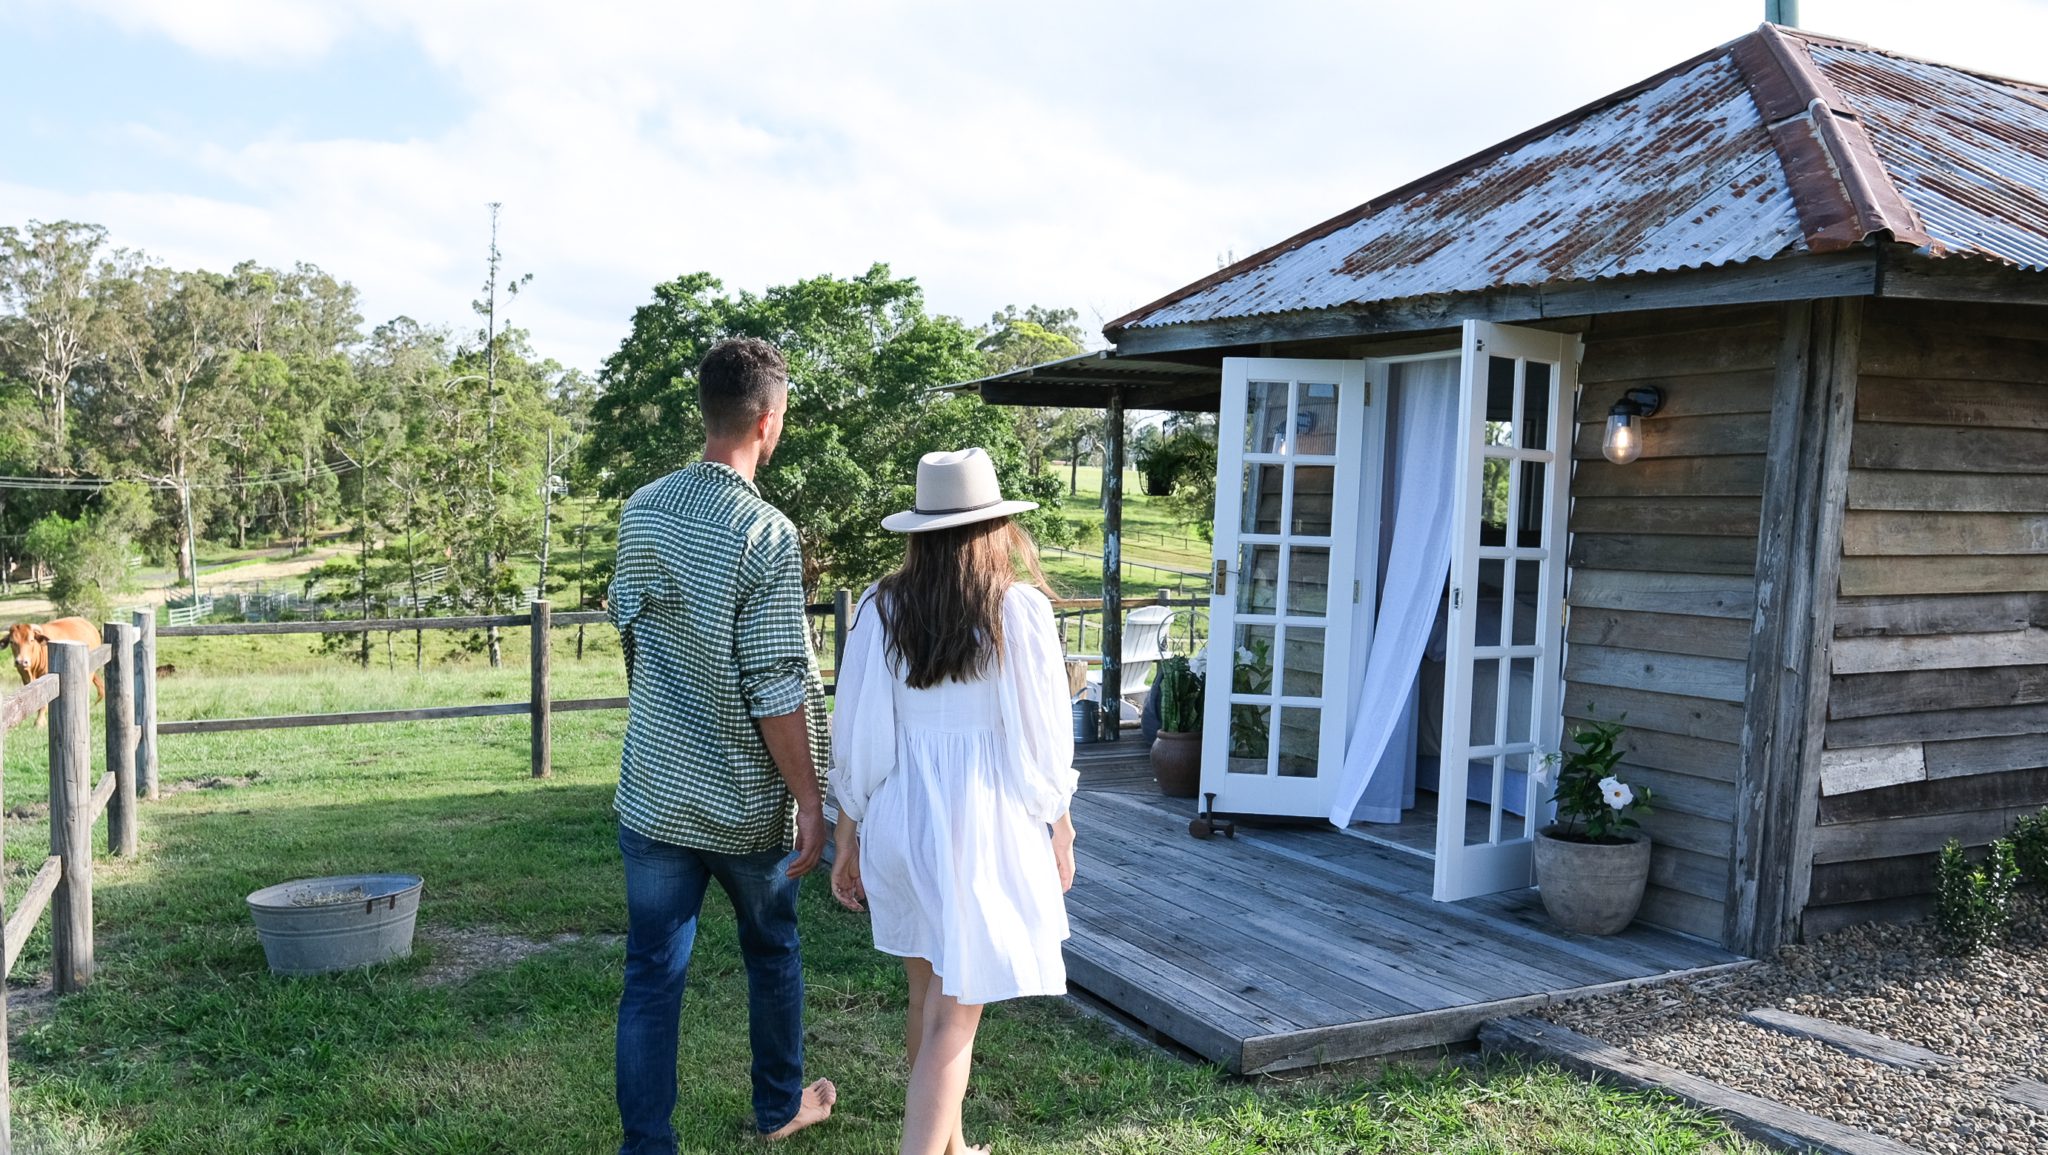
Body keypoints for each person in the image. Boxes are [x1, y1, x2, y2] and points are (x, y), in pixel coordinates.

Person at [607, 337, 837, 1151]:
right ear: (768, 422)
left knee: (651, 975)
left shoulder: (641, 509)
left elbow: (631, 631)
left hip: (656, 793)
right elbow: (778, 688)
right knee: (771, 949)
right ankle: (779, 1106)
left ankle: (647, 1143)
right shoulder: (764, 533)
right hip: (744, 805)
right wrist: (811, 800)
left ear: (705, 410)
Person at [828, 448, 1079, 1155]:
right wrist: (1058, 821)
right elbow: (1040, 739)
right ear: (993, 526)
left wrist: (848, 831)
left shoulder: (882, 607)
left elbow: (862, 733)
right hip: (978, 823)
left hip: (903, 818)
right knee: (953, 1018)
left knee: (928, 997)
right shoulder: (1016, 608)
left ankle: (953, 1144)